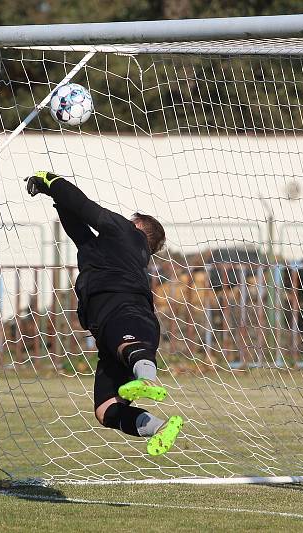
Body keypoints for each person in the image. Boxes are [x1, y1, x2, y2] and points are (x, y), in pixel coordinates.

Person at [25, 171, 183, 456]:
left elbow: (85, 208)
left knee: (128, 346)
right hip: (117, 324)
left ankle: (147, 379)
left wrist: (52, 180)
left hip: (124, 311)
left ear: (137, 225)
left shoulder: (125, 230)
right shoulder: (109, 251)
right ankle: (161, 427)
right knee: (106, 409)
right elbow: (79, 230)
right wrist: (56, 198)